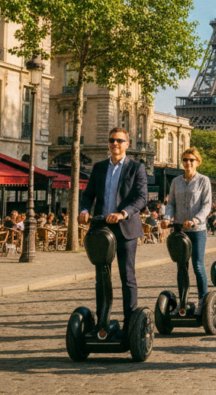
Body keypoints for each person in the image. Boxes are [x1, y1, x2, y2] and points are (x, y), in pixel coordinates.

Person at [78, 126, 149, 337]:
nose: (114, 144)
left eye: (119, 140)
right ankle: (103, 322)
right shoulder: (99, 167)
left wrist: (123, 213)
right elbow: (88, 194)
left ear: (127, 144)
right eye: (111, 140)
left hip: (125, 229)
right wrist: (83, 209)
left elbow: (142, 197)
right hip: (101, 229)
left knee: (127, 277)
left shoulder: (136, 167)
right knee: (102, 278)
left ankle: (130, 325)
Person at [165, 147, 213, 299]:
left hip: (197, 231)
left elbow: (207, 205)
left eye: (191, 160)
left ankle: (202, 300)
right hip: (180, 231)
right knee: (181, 267)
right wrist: (167, 218)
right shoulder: (175, 181)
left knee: (198, 266)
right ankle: (183, 301)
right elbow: (171, 203)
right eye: (185, 160)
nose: (188, 163)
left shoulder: (203, 180)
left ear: (197, 162)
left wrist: (195, 220)